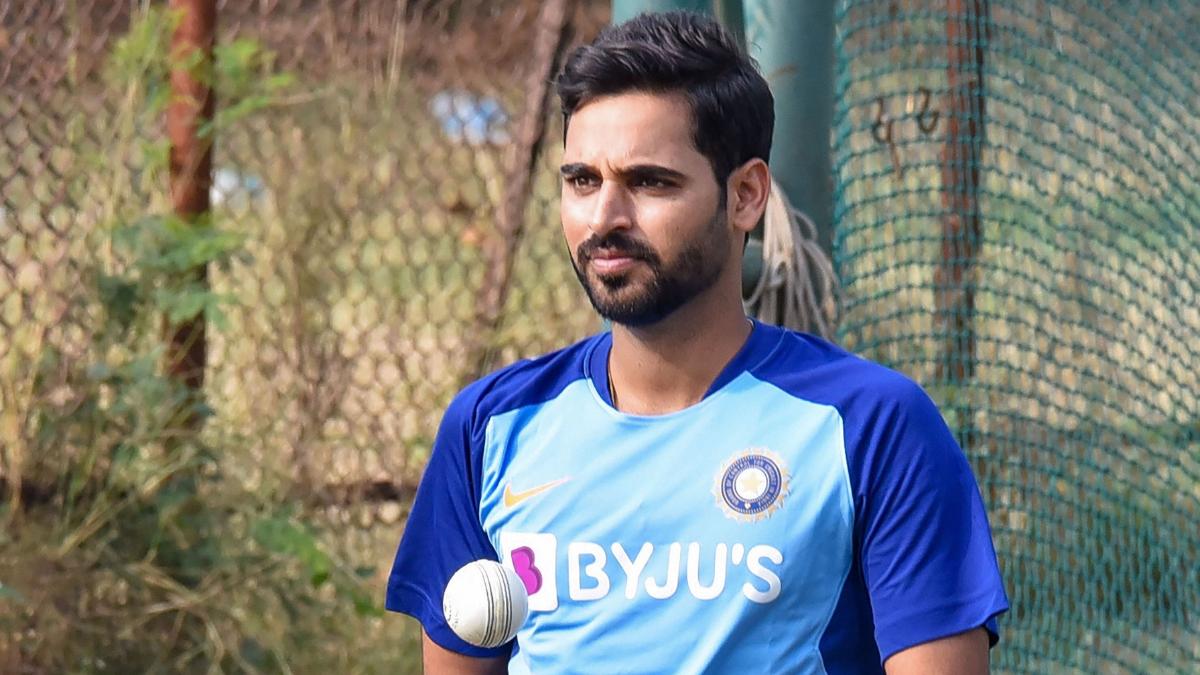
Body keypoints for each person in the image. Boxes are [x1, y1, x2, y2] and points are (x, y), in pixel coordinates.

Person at [386, 11, 1008, 674]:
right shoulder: (491, 427)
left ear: (745, 196)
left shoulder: (871, 425)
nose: (604, 218)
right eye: (582, 181)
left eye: (650, 182)